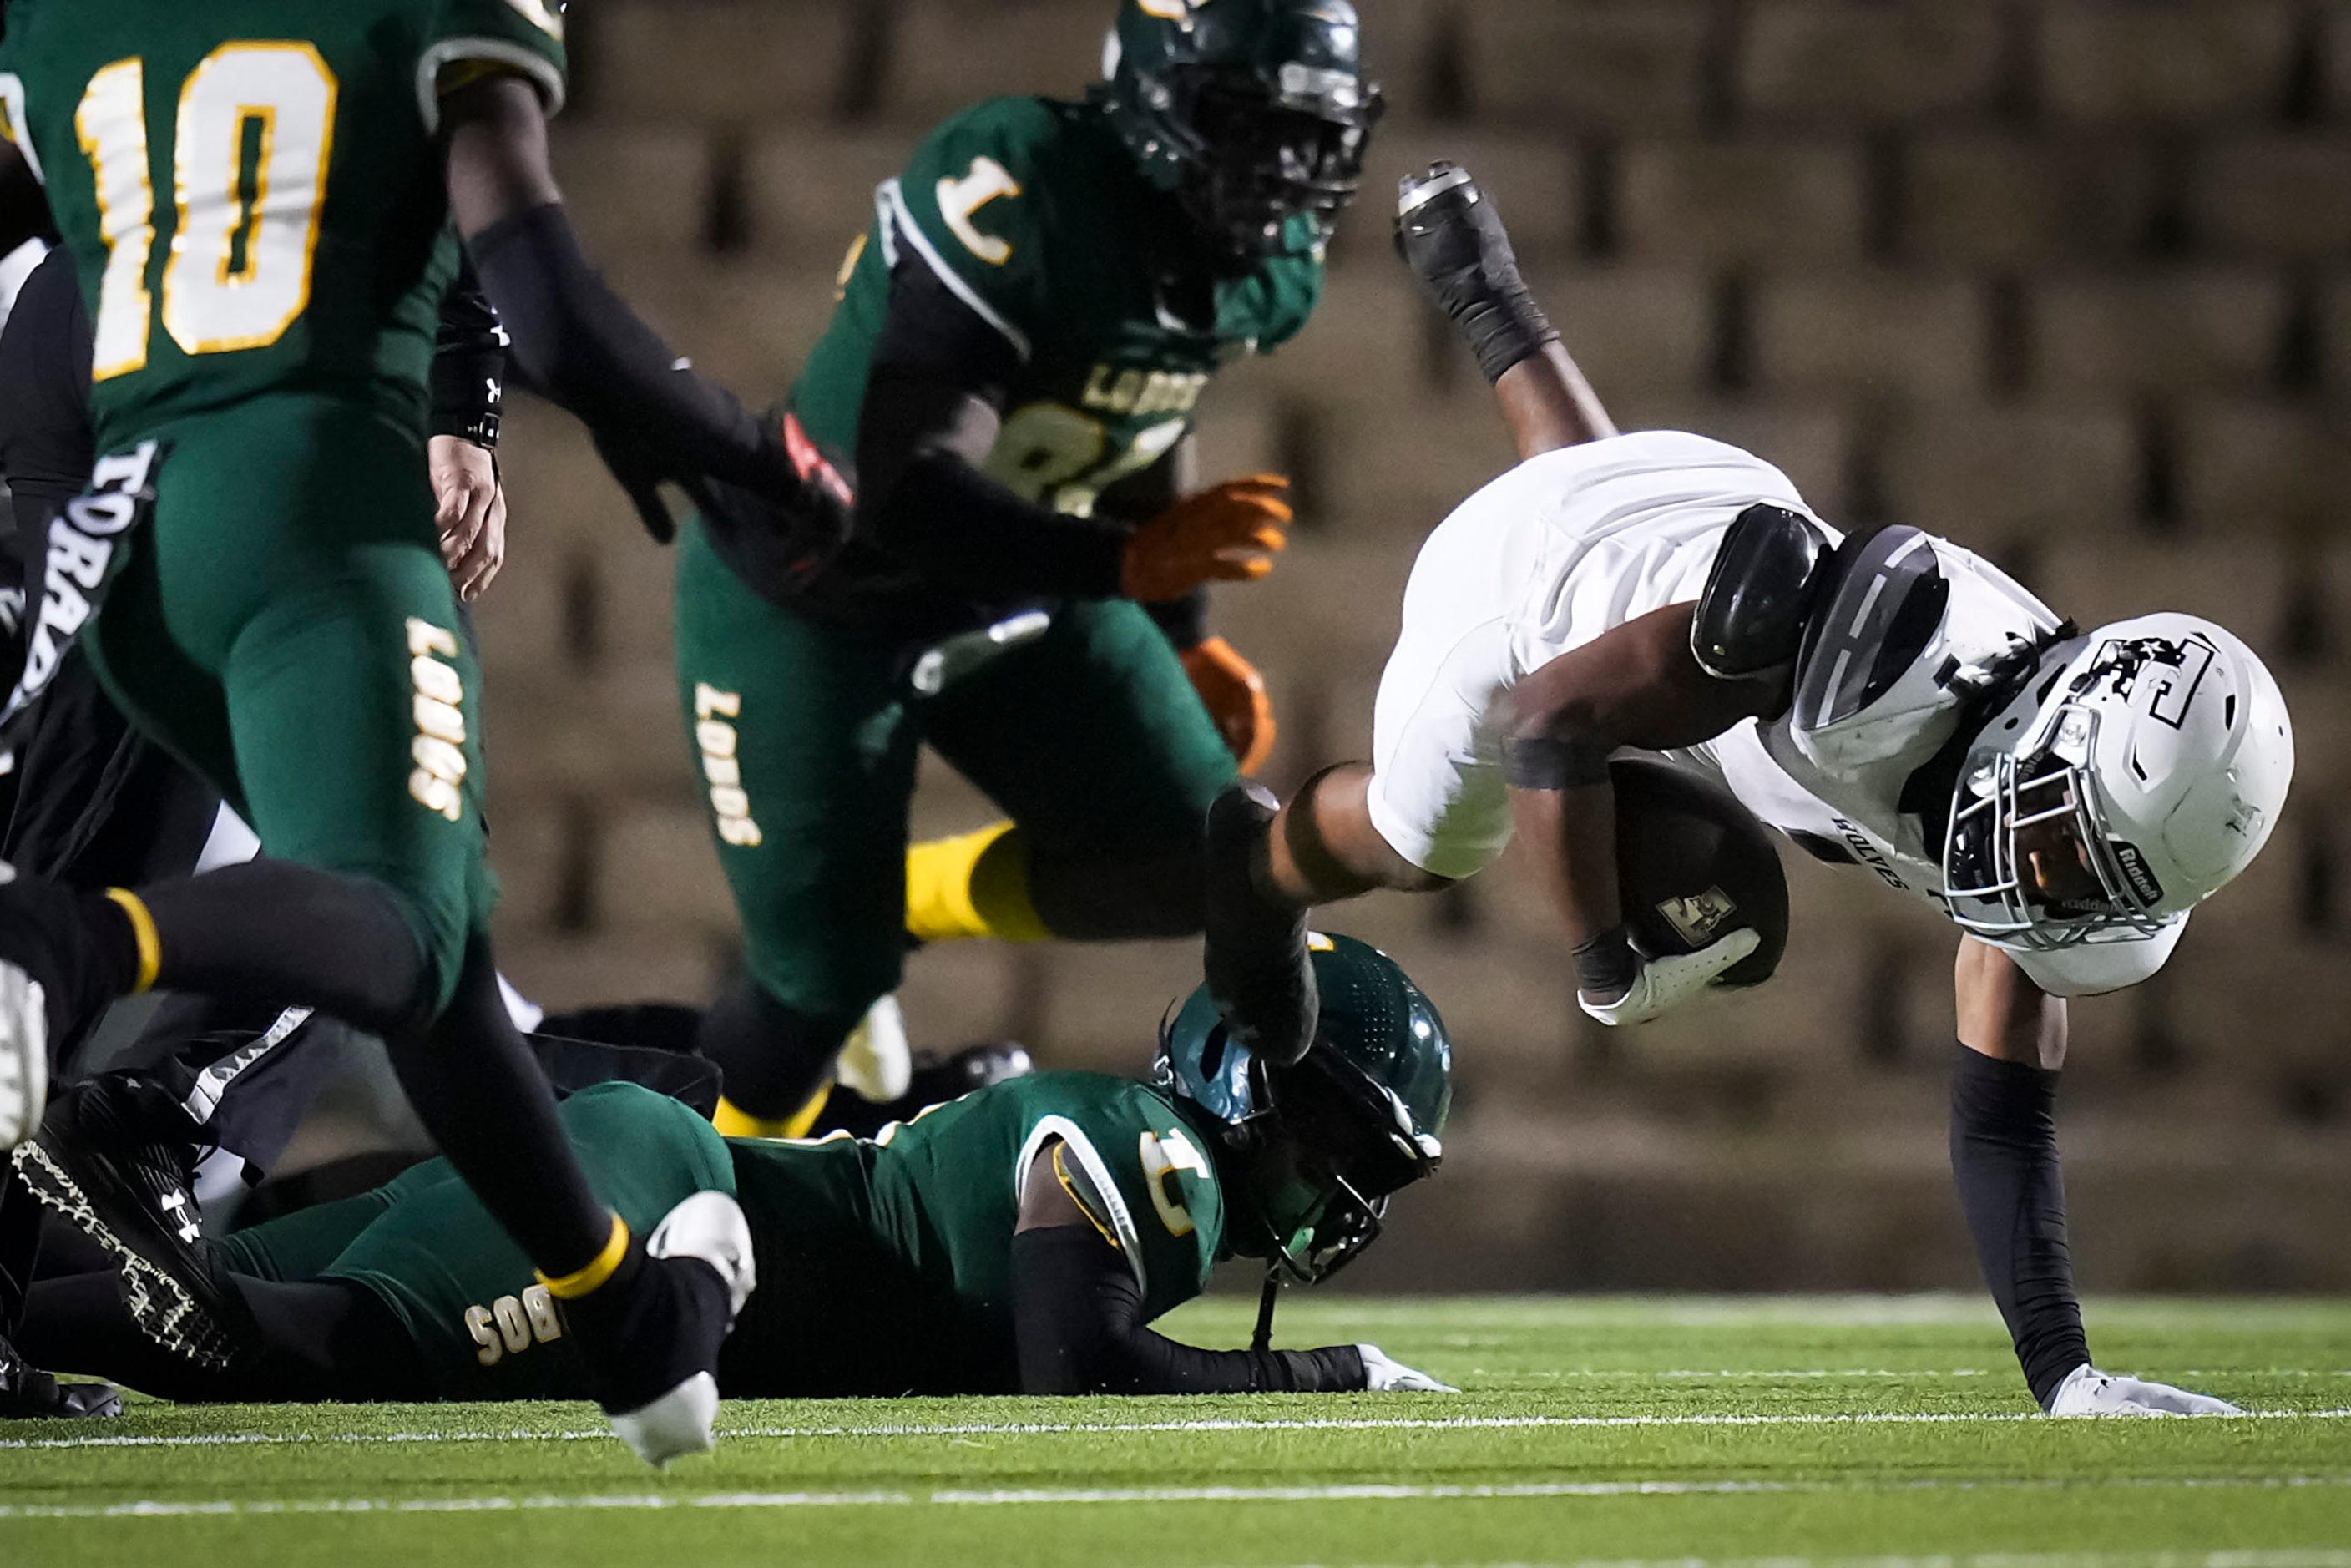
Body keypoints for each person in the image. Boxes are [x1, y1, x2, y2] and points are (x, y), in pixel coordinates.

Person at [1205, 164, 2293, 1418]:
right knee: (1419, 838)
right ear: (2055, 735)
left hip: (1696, 509)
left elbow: (2004, 1118)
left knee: (1648, 585)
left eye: (2098, 885)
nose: (2052, 889)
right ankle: (1257, 864)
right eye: (2067, 853)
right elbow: (1550, 719)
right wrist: (1608, 961)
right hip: (1516, 602)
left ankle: (1484, 289)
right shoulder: (1855, 667)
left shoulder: (2070, 798)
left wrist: (2068, 1378)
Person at [0, 0, 839, 1461]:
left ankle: (625, 1320)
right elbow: (559, 306)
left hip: (129, 496)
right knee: (390, 912)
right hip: (308, 501)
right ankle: (70, 949)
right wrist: (747, 451)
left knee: (420, 936)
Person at [675, 0, 1380, 1138]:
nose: (1283, 166)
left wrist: (1185, 623)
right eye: (1248, 122)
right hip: (813, 590)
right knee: (816, 989)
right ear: (1153, 95)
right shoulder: (1023, 178)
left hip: (1025, 576)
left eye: (1313, 133)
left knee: (1210, 864)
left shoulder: (1260, 262)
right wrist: (1131, 562)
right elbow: (900, 487)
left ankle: (912, 897)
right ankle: (679, 1217)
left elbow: (1151, 408)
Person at [18, 933, 1453, 1404]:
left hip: (652, 1163)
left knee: (146, 1290)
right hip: (667, 1206)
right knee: (268, 1344)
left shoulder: (1136, 1144)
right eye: (1333, 1138)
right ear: (1248, 1086)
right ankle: (103, 1129)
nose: (1341, 1188)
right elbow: (1072, 1361)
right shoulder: (1167, 1166)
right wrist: (1325, 1373)